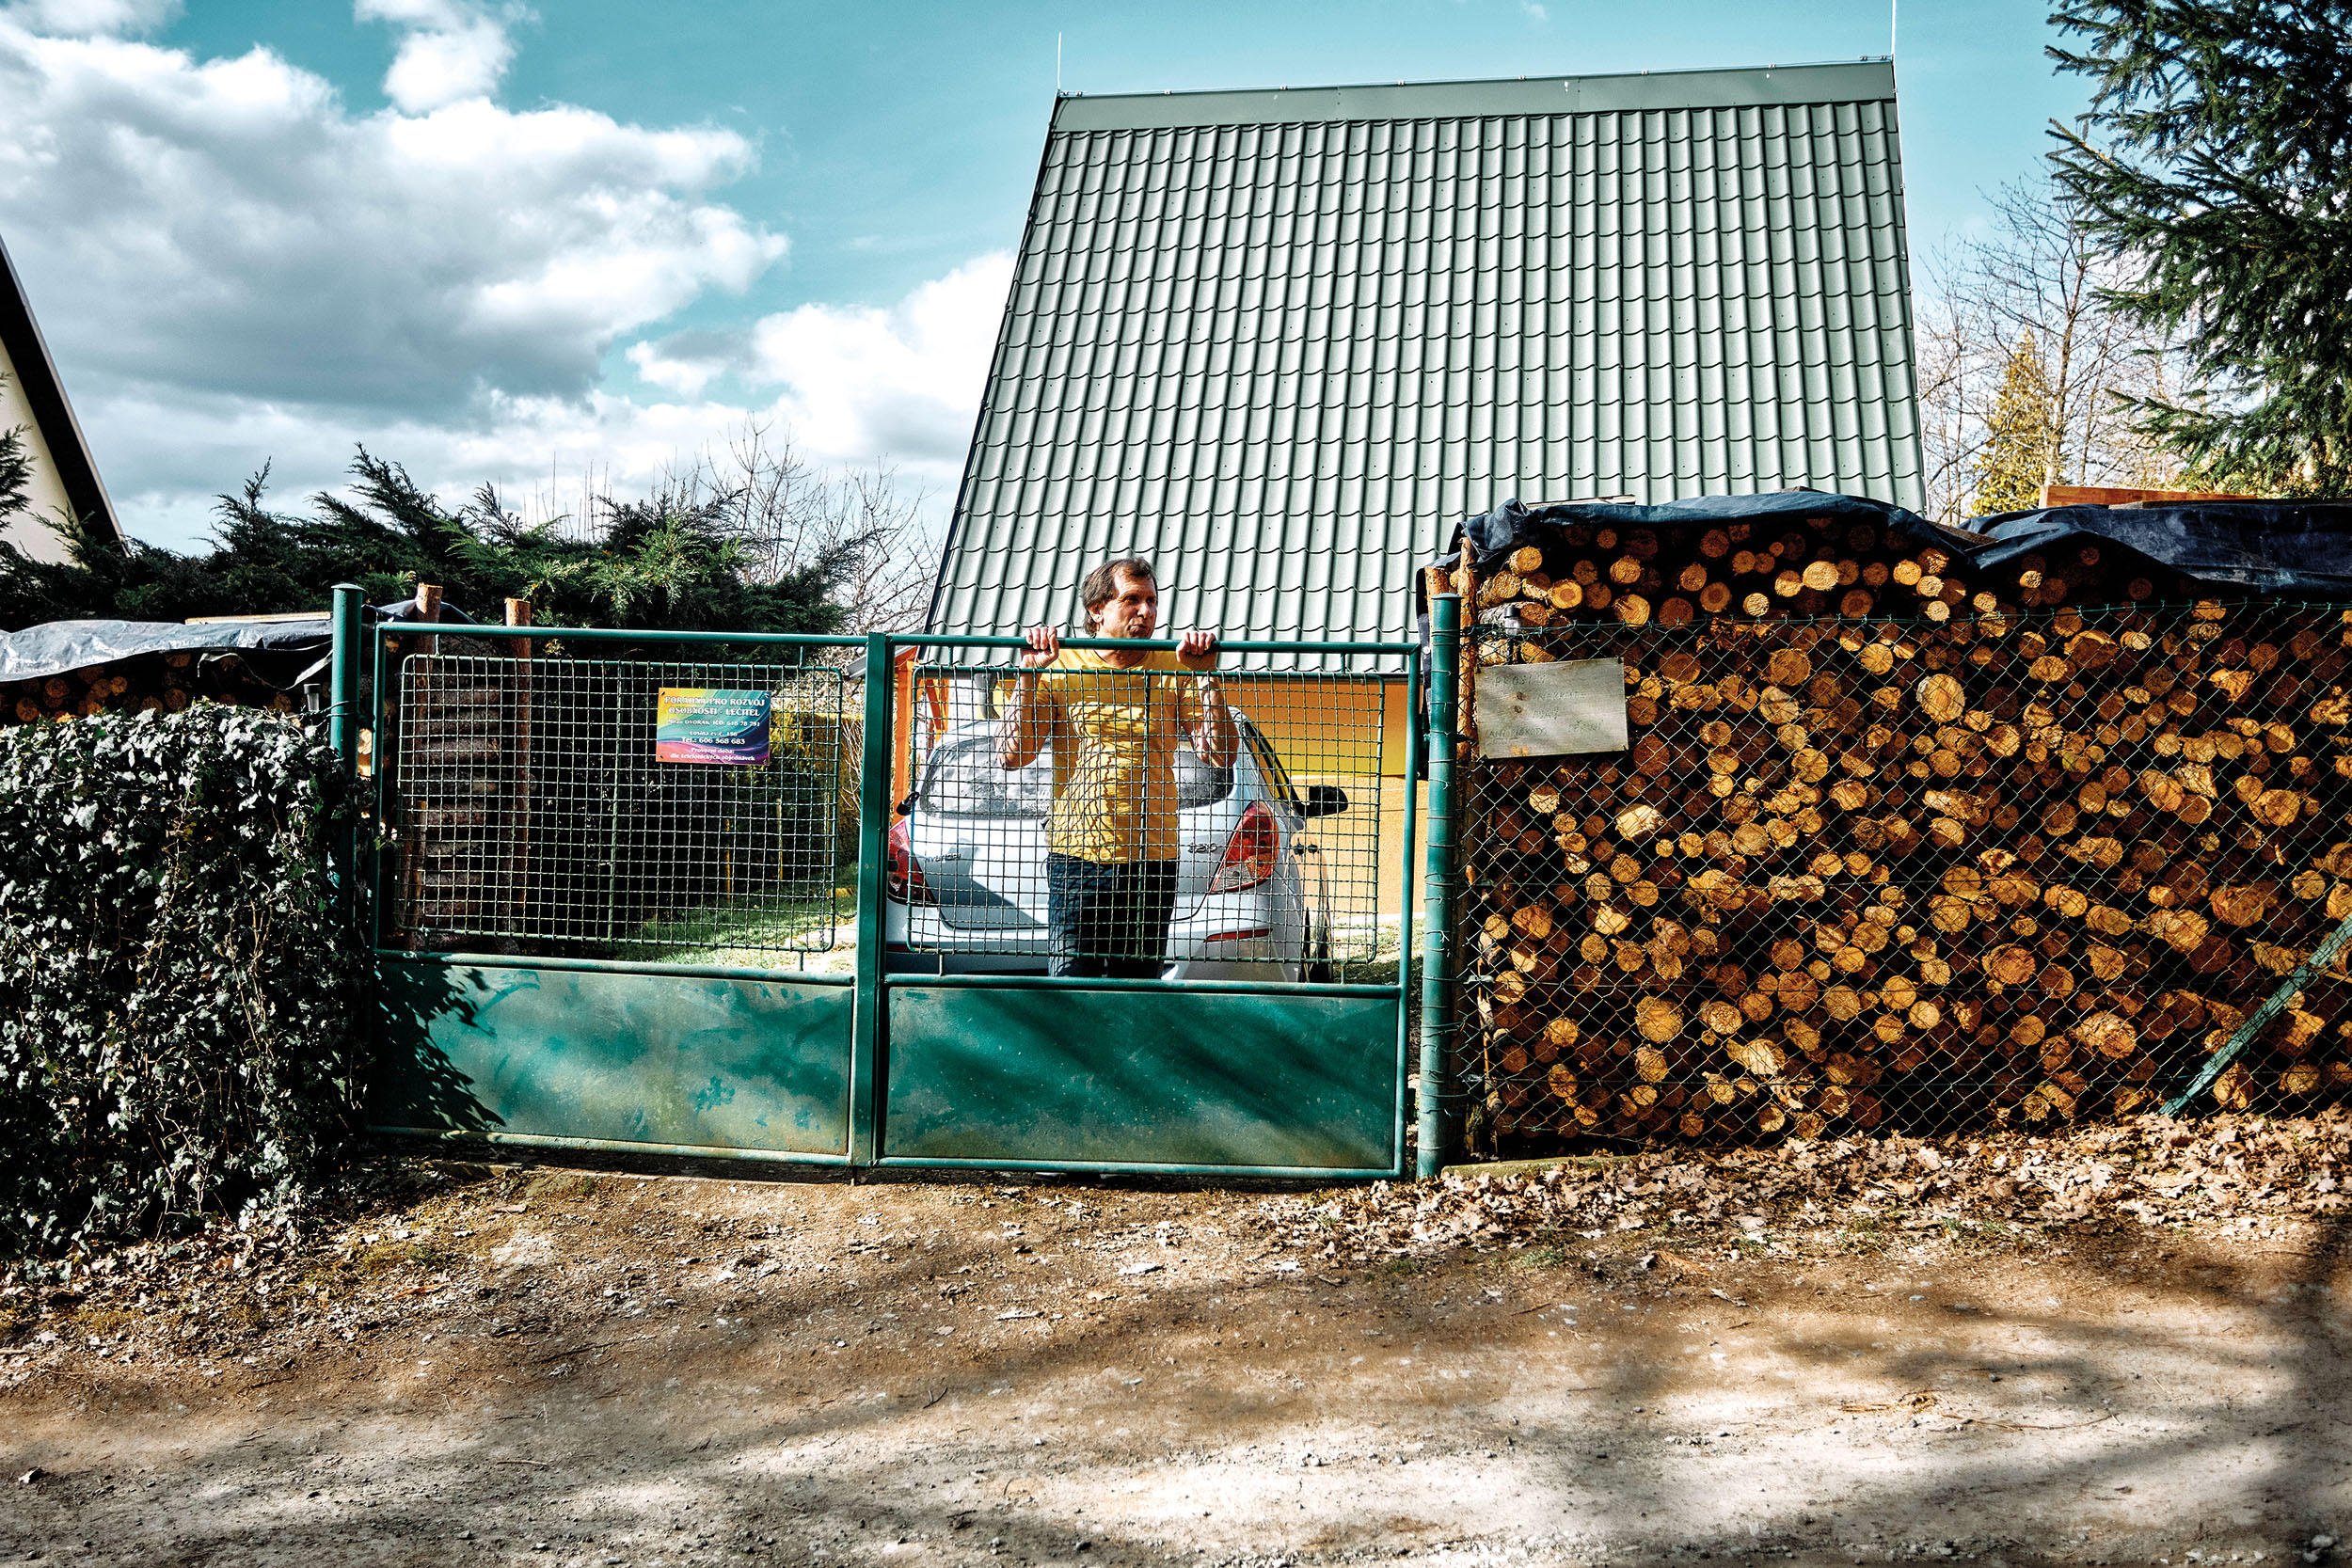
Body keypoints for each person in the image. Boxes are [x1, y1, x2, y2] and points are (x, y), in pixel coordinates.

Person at [995, 557, 1237, 977]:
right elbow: (1013, 755)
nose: (1146, 612)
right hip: (1076, 856)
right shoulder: (1060, 664)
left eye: (1151, 601)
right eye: (1131, 600)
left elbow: (1218, 754)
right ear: (1097, 610)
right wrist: (1028, 675)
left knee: (1137, 992)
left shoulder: (1176, 666)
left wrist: (1207, 677)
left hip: (1152, 857)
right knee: (1072, 988)